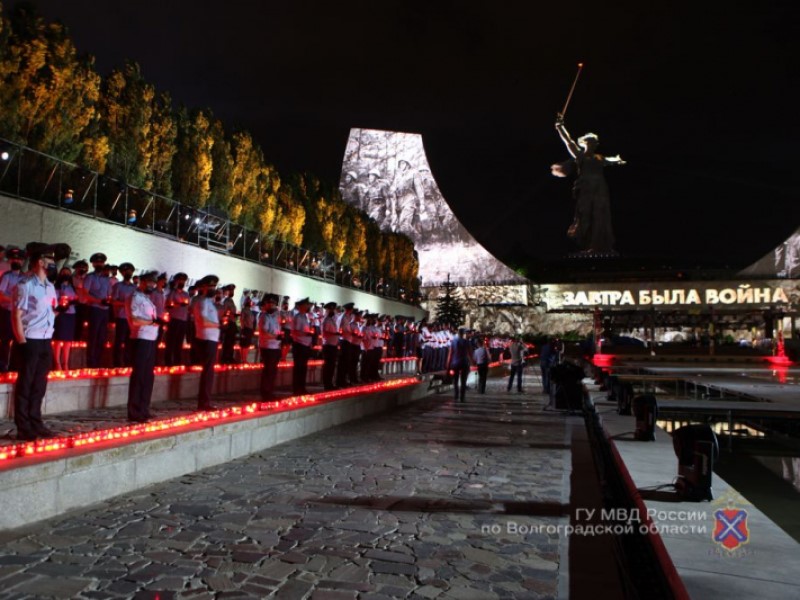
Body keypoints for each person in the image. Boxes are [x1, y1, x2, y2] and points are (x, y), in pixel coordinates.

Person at [11, 242, 67, 440]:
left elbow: (49, 311)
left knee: (39, 385)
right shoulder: (25, 285)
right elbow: (16, 315)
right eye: (50, 260)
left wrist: (57, 313)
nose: (53, 263)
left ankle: (36, 421)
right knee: (25, 384)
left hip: (45, 339)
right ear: (40, 261)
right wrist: (22, 342)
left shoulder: (50, 287)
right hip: (30, 340)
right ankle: (23, 426)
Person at [554, 114, 625, 254]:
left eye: (596, 142)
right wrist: (560, 127)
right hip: (586, 187)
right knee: (586, 215)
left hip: (600, 188)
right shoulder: (580, 155)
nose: (595, 144)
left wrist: (618, 160)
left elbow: (612, 160)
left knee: (601, 215)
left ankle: (599, 246)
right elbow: (568, 141)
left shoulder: (600, 157)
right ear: (585, 143)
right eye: (592, 141)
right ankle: (587, 245)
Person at [126, 271, 160, 422]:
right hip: (141, 338)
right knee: (139, 375)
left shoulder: (147, 299)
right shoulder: (136, 298)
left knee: (148, 376)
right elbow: (134, 319)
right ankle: (134, 411)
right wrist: (152, 322)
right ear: (142, 282)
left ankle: (144, 408)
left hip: (151, 338)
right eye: (150, 282)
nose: (153, 285)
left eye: (154, 282)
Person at [193, 275, 221, 410]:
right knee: (207, 371)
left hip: (212, 339)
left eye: (214, 286)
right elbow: (203, 321)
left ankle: (206, 401)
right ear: (203, 287)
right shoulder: (202, 302)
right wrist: (217, 325)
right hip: (206, 339)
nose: (213, 289)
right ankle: (204, 402)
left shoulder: (210, 303)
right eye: (210, 286)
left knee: (209, 372)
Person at [82, 252, 113, 368]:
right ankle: (91, 362)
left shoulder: (106, 279)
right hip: (95, 309)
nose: (100, 264)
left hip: (105, 310)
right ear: (93, 264)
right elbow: (85, 294)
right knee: (93, 336)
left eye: (101, 262)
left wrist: (109, 300)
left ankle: (99, 361)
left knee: (102, 337)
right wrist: (98, 301)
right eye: (97, 262)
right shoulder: (90, 277)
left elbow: (109, 293)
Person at [0, 247, 27, 372]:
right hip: (8, 312)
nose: (16, 261)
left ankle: (15, 366)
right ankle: (3, 365)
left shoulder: (26, 277)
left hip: (21, 314)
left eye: (19, 260)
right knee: (6, 339)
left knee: (19, 338)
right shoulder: (6, 276)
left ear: (22, 262)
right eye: (13, 259)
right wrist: (13, 300)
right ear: (10, 261)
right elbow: (1, 295)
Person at [110, 262, 137, 367]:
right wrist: (125, 303)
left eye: (130, 271)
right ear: (122, 273)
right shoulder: (118, 286)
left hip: (132, 318)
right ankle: (117, 363)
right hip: (121, 316)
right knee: (119, 341)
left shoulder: (134, 287)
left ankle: (127, 362)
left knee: (129, 341)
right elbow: (113, 301)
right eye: (126, 271)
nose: (128, 273)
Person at [53, 267, 78, 371]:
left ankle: (66, 363)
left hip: (71, 314)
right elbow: (54, 300)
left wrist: (73, 301)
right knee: (58, 339)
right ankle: (57, 363)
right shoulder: (57, 287)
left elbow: (76, 298)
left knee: (68, 340)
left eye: (68, 273)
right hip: (61, 314)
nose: (66, 274)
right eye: (64, 273)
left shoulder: (72, 287)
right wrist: (63, 303)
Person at [257, 294, 282, 400]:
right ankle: (265, 393)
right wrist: (277, 336)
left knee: (272, 371)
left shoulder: (276, 317)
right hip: (267, 347)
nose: (271, 305)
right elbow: (264, 332)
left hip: (275, 347)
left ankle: (270, 391)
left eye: (273, 304)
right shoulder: (264, 316)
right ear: (265, 305)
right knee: (268, 371)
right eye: (269, 303)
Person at [165, 272, 190, 366]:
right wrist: (179, 304)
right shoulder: (172, 292)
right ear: (176, 281)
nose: (182, 283)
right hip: (174, 319)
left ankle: (177, 360)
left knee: (179, 342)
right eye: (180, 280)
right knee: (171, 341)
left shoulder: (186, 294)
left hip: (183, 320)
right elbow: (168, 305)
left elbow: (188, 306)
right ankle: (168, 361)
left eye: (184, 281)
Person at [291, 297, 313, 395]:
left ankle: (302, 387)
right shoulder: (298, 317)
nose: (308, 306)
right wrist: (306, 334)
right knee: (298, 368)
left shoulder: (305, 317)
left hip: (305, 344)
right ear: (301, 306)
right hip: (299, 344)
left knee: (303, 368)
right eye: (306, 304)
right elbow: (295, 331)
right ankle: (297, 388)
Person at [447, 327, 474, 403]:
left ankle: (456, 395)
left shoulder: (453, 342)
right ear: (464, 334)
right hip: (464, 362)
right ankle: (462, 397)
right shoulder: (466, 342)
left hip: (455, 362)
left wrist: (448, 364)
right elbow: (470, 353)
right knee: (463, 380)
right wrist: (472, 362)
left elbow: (450, 353)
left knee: (455, 380)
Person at [321, 301, 339, 390]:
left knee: (331, 366)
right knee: (328, 366)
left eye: (333, 309)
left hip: (333, 345)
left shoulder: (333, 320)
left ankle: (330, 383)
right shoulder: (326, 320)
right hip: (328, 345)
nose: (333, 311)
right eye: (331, 309)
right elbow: (326, 332)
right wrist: (336, 334)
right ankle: (327, 384)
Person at [239, 297, 255, 364]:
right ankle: (243, 359)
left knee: (247, 344)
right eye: (250, 302)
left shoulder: (250, 311)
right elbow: (242, 319)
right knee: (244, 344)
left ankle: (244, 359)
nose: (251, 303)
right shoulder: (244, 310)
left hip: (249, 329)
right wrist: (242, 328)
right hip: (245, 329)